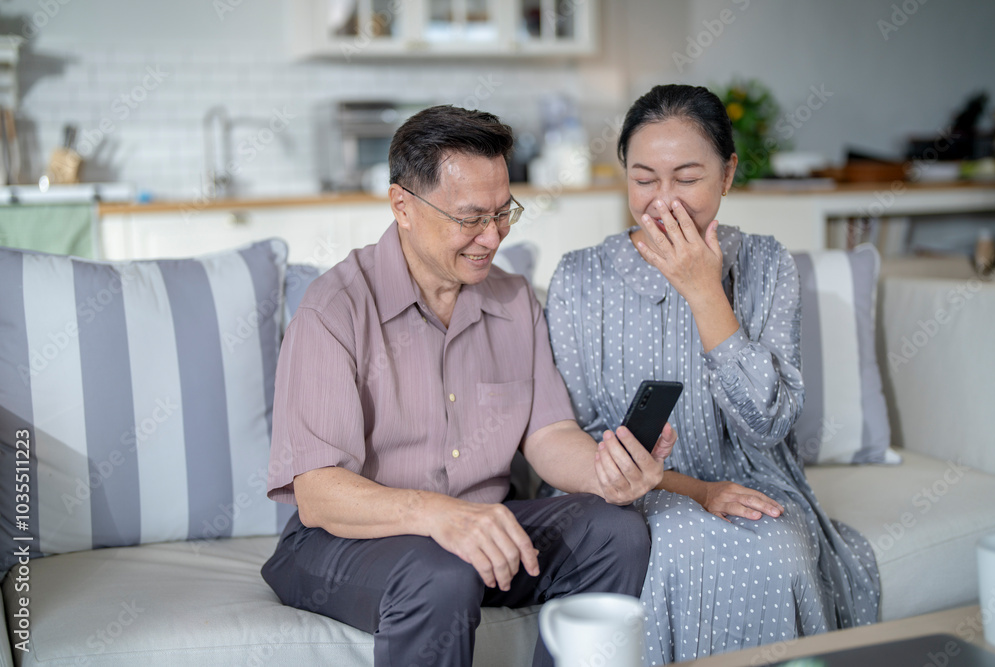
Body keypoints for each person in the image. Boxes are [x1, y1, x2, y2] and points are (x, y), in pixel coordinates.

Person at [260, 104, 675, 667]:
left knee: (616, 531)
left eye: (505, 213)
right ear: (402, 205)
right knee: (443, 571)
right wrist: (439, 516)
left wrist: (610, 473)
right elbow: (317, 492)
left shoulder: (512, 300)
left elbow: (550, 433)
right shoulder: (335, 310)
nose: (493, 236)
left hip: (478, 532)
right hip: (345, 541)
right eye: (471, 218)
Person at [545, 85, 880, 664]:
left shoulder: (767, 264)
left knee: (781, 548)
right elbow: (578, 436)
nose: (663, 201)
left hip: (753, 477)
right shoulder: (579, 278)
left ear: (726, 176)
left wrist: (705, 292)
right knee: (673, 543)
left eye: (687, 178)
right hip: (627, 491)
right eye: (644, 179)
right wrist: (694, 490)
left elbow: (768, 422)